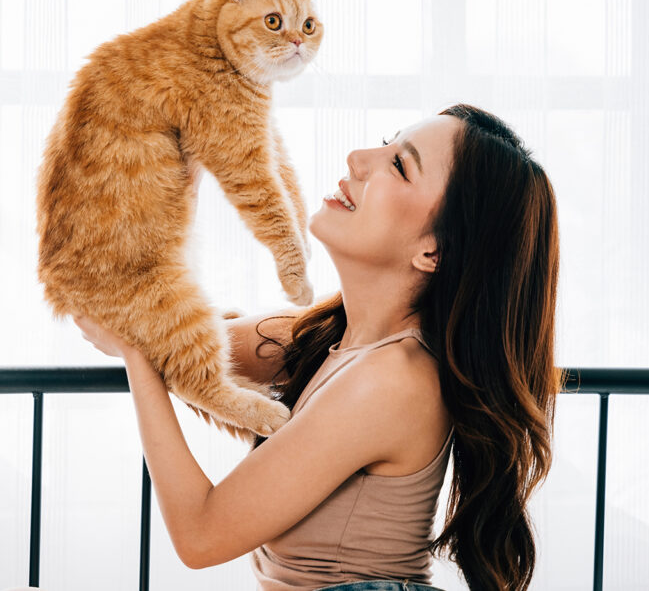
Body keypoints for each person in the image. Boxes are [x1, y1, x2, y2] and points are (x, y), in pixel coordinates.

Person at [74, 103, 564, 591]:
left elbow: (201, 536)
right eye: (385, 141)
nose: (357, 158)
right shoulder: (324, 338)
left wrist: (134, 353)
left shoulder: (392, 379)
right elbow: (172, 339)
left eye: (399, 165)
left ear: (433, 250)